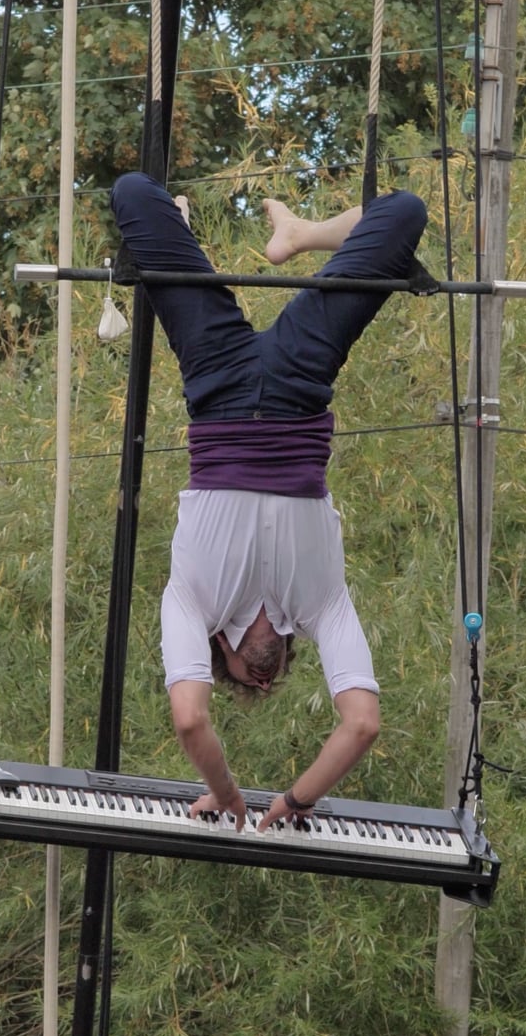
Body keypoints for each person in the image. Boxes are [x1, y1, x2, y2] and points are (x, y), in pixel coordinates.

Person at [108, 172, 429, 835]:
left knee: (134, 192)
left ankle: (195, 227)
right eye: (270, 683)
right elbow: (362, 723)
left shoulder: (189, 606)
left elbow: (189, 718)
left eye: (242, 679)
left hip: (217, 380)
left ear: (222, 661)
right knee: (404, 211)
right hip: (299, 379)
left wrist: (226, 793)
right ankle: (303, 235)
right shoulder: (323, 608)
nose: (260, 679)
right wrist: (297, 801)